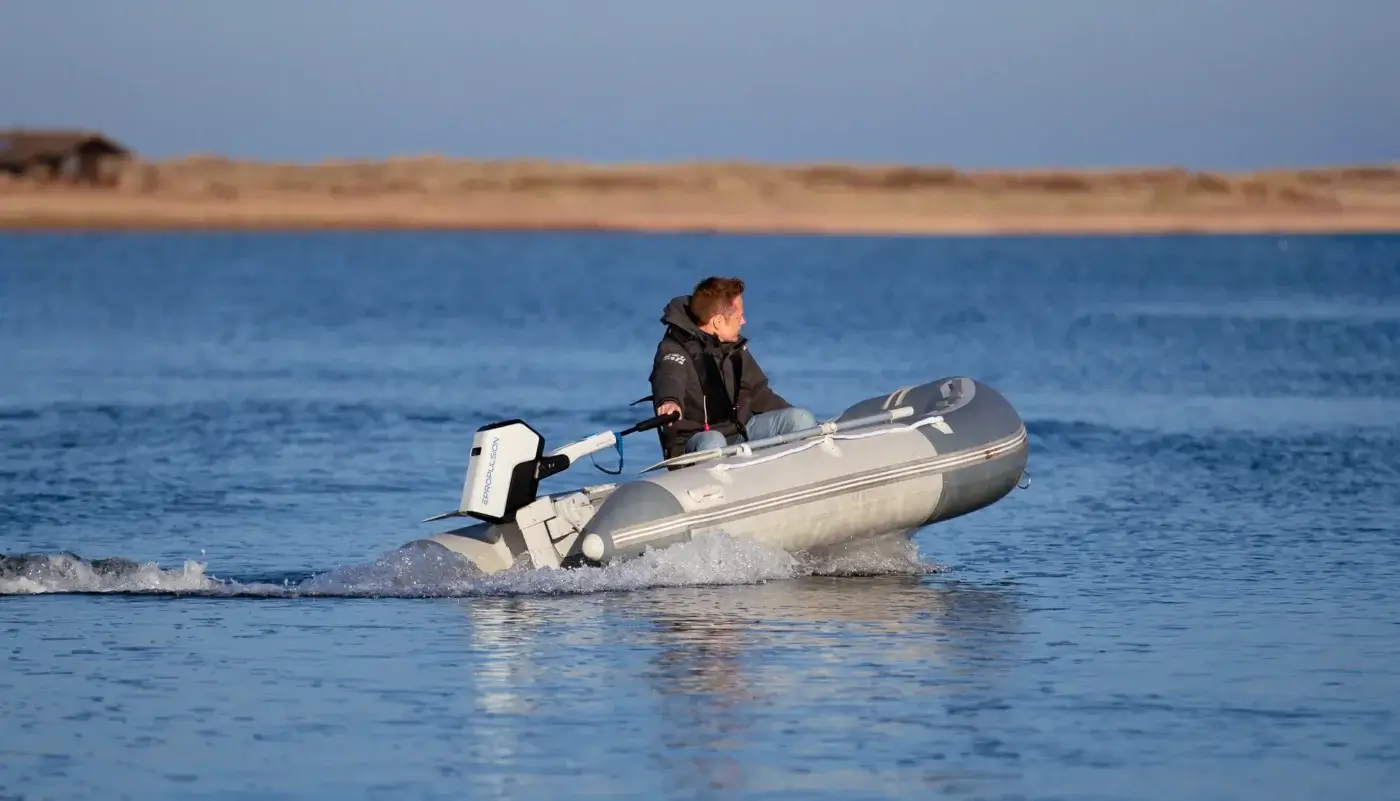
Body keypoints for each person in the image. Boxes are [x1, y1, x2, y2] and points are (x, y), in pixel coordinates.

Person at [648, 276, 818, 459]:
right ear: (718, 321)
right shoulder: (674, 349)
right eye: (738, 316)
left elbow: (759, 394)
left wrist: (811, 426)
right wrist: (670, 401)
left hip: (740, 432)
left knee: (800, 419)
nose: (743, 321)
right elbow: (670, 377)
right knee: (714, 442)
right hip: (697, 441)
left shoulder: (734, 348)